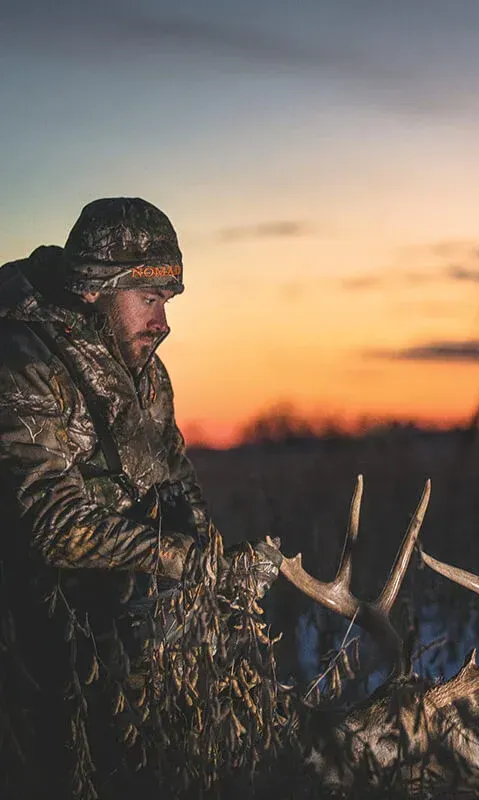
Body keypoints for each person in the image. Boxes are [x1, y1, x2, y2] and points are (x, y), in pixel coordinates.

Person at [0, 197, 283, 796]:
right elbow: (50, 522)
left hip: (115, 640)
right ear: (94, 289)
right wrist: (184, 559)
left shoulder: (146, 374)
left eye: (167, 302)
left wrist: (221, 573)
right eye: (149, 299)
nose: (163, 321)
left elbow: (176, 484)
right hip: (24, 642)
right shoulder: (19, 359)